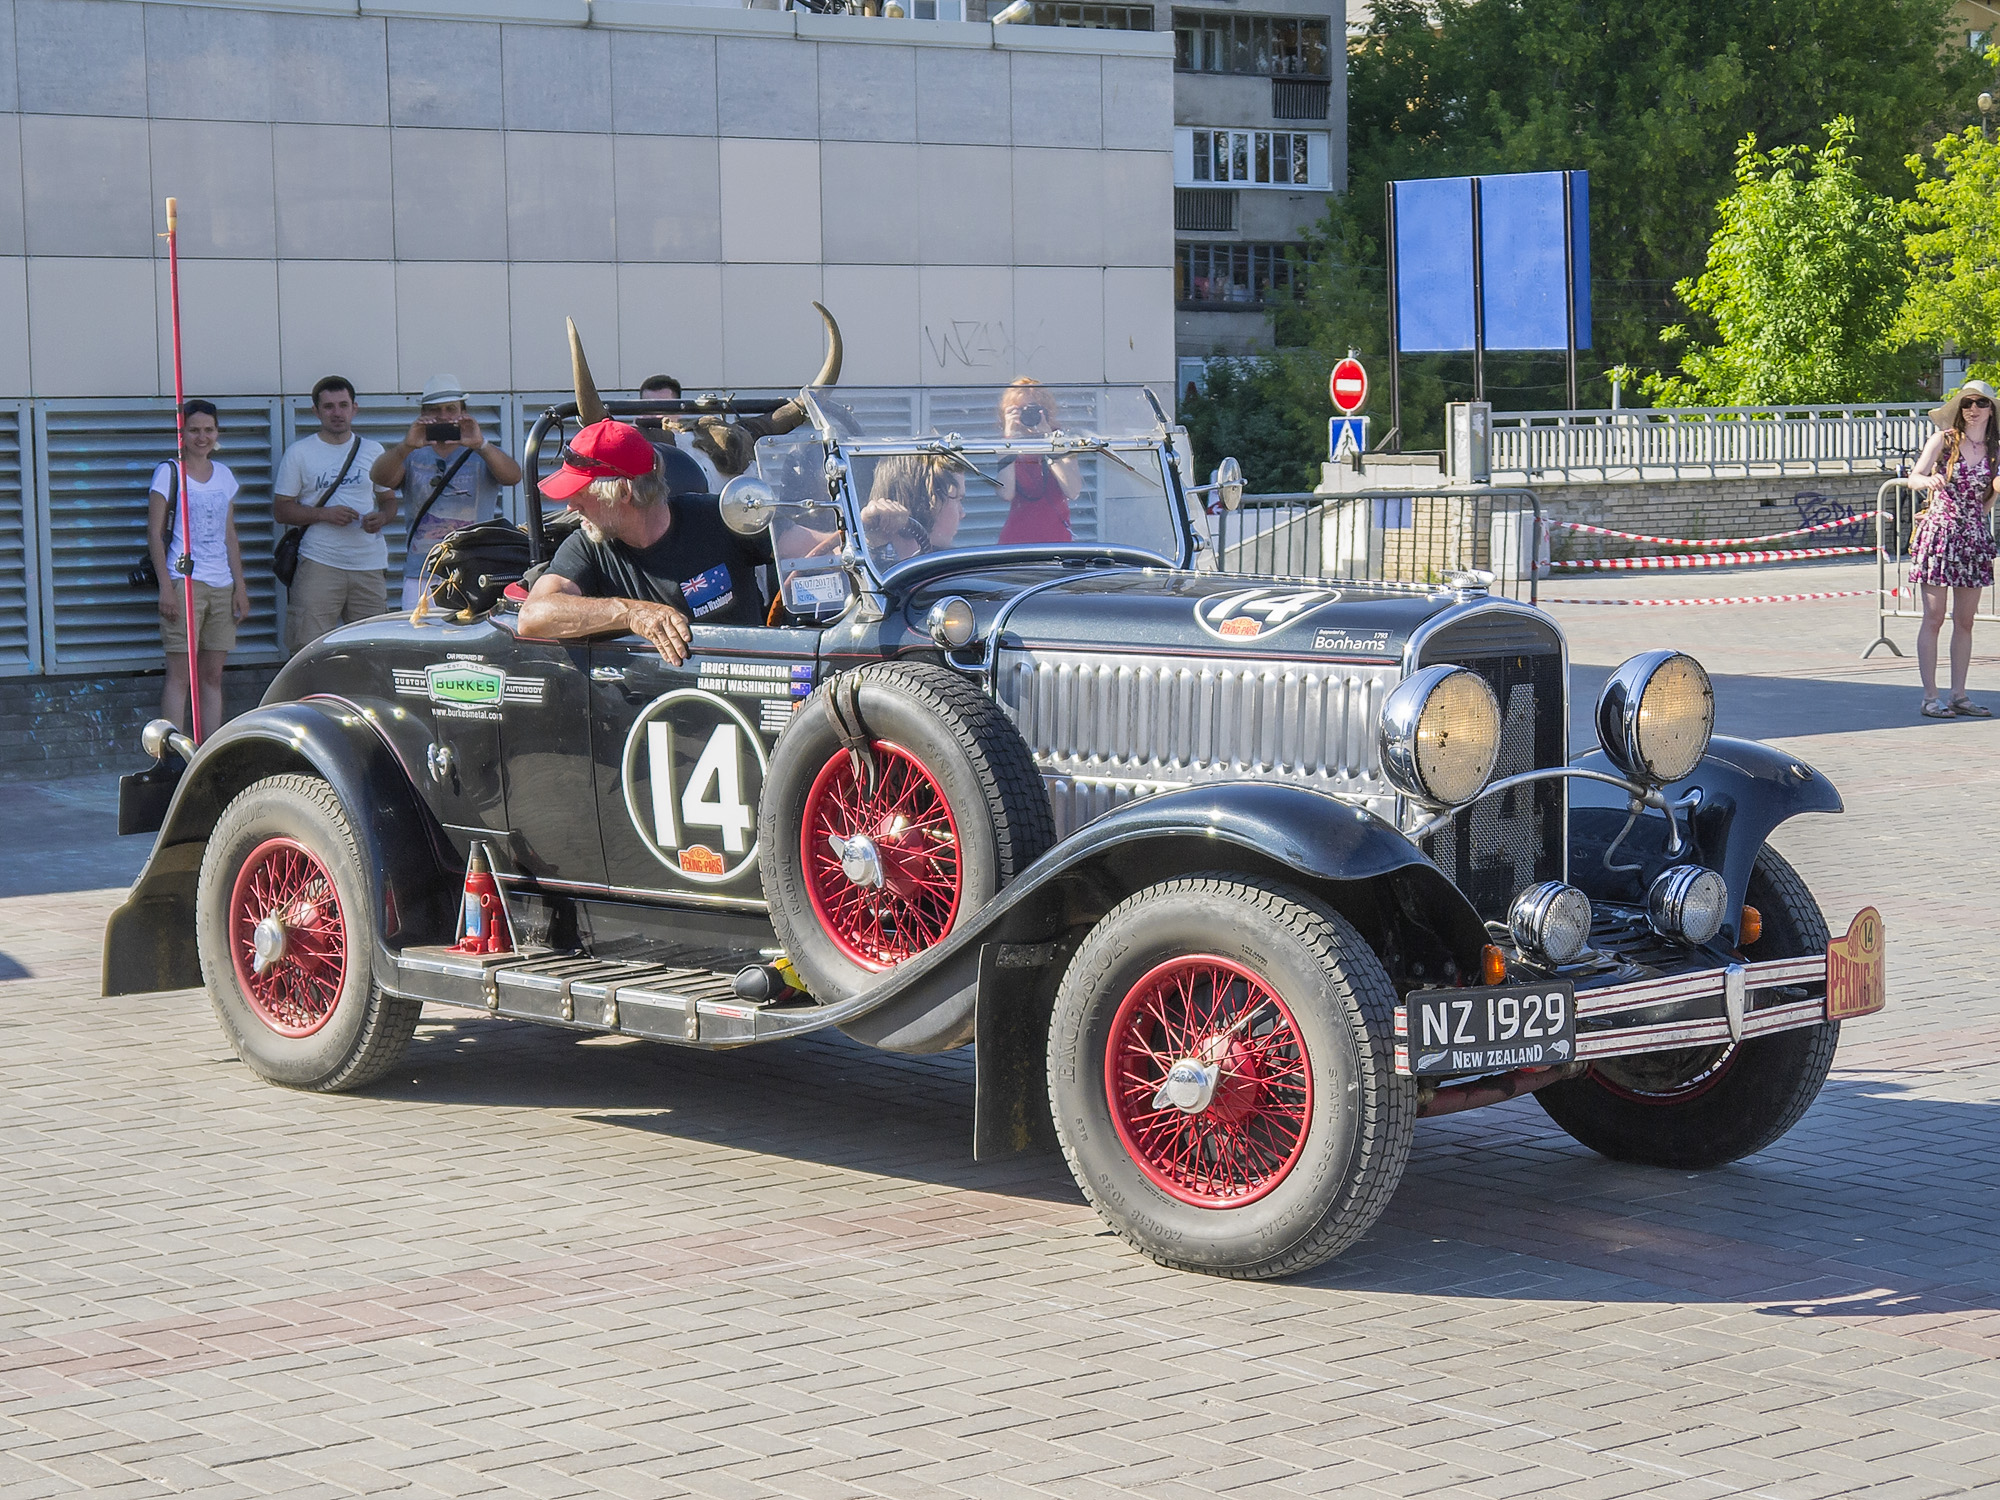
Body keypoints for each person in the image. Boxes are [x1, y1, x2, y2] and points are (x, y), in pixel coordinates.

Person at [518, 418, 772, 665]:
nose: (571, 506)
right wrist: (631, 613)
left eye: (581, 493)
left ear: (623, 492)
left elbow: (804, 548)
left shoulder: (720, 516)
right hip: (655, 696)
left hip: (750, 680)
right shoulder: (588, 544)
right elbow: (532, 616)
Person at [370, 375, 524, 609]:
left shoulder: (483, 453)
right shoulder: (411, 454)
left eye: (451, 409)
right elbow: (379, 477)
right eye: (434, 410)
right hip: (422, 572)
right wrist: (406, 446)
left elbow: (513, 476)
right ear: (423, 414)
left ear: (464, 411)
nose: (443, 416)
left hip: (474, 570)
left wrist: (480, 444)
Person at [148, 399, 248, 736]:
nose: (201, 437)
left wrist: (241, 587)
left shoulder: (224, 475)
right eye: (194, 430)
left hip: (221, 583)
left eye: (208, 430)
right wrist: (166, 587)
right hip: (184, 581)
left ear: (217, 433)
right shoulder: (169, 472)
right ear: (182, 434)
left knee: (212, 674)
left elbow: (229, 534)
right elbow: (154, 533)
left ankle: (207, 746)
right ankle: (172, 752)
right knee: (180, 674)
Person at [274, 376, 394, 653]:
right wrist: (324, 515)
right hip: (320, 562)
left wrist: (382, 518)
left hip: (368, 564)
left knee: (374, 648)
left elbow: (389, 501)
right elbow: (281, 510)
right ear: (316, 412)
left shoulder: (374, 450)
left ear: (355, 408)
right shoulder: (300, 453)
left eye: (343, 405)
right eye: (328, 407)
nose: (337, 413)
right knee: (309, 650)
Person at [1908, 379, 1997, 718]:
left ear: (1991, 410)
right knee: (1933, 618)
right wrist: (1926, 480)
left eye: (1981, 403)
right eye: (1967, 403)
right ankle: (1931, 697)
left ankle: (1959, 694)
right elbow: (1914, 475)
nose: (1973, 409)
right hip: (1940, 534)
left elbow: (1987, 500)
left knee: (1965, 620)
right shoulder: (1944, 441)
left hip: (1972, 537)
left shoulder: (1995, 450)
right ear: (1959, 408)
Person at [995, 378, 1079, 545]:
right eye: (1020, 410)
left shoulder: (1060, 442)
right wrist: (1009, 440)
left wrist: (1049, 444)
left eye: (1033, 409)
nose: (1028, 415)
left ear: (1046, 412)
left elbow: (1073, 491)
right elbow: (1005, 493)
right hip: (1016, 540)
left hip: (1057, 540)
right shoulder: (1008, 445)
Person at [859, 453, 966, 567]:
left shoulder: (953, 566)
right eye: (957, 499)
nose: (962, 513)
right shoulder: (874, 565)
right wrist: (869, 540)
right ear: (927, 500)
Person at [641, 372, 724, 492]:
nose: (656, 416)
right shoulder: (628, 447)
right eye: (648, 409)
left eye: (663, 409)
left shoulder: (694, 446)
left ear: (679, 412)